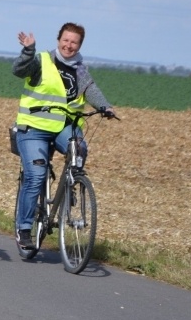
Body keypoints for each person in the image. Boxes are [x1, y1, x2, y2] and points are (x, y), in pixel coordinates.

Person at [12, 22, 116, 250]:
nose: (69, 45)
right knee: (36, 176)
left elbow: (90, 90)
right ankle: (25, 228)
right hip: (34, 126)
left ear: (80, 45)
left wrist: (105, 107)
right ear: (58, 40)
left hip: (64, 126)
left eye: (74, 42)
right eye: (66, 40)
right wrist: (28, 50)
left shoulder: (80, 69)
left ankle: (71, 186)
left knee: (80, 148)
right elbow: (19, 70)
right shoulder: (42, 60)